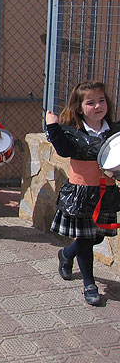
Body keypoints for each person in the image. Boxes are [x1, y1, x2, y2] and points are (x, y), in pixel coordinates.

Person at [46, 81, 120, 306]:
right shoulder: (73, 133)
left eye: (101, 100)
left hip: (105, 194)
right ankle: (90, 285)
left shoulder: (115, 131)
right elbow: (64, 149)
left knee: (97, 236)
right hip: (81, 194)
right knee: (87, 240)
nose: (98, 106)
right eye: (91, 102)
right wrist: (53, 127)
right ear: (79, 107)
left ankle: (67, 254)